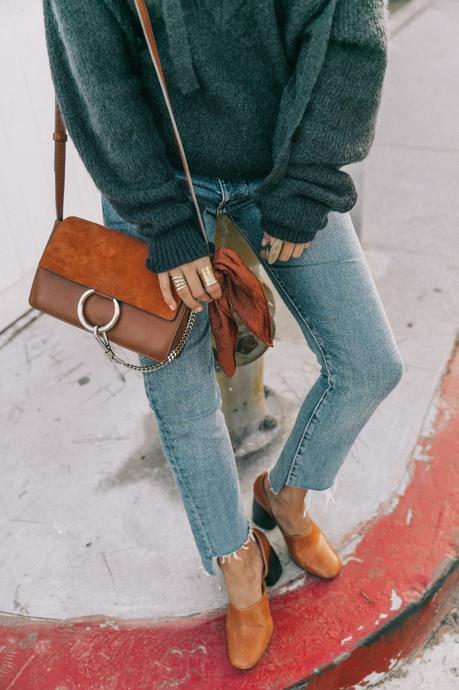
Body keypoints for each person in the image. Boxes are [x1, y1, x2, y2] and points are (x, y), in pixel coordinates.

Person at [42, 0, 403, 670]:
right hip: (154, 187)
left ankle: (285, 497)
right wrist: (163, 221)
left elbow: (348, 40)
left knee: (367, 362)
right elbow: (95, 75)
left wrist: (304, 188)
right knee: (182, 404)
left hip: (282, 166)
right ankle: (238, 563)